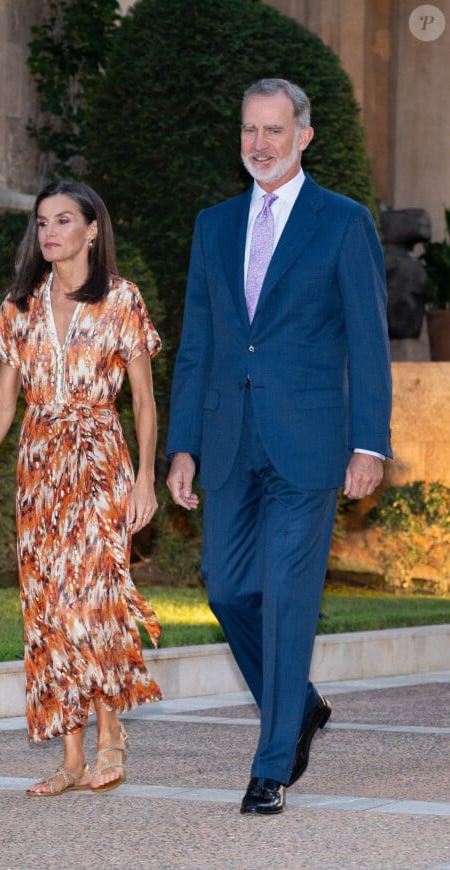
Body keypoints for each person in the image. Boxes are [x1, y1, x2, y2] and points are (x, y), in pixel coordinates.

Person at [166, 79, 392, 815]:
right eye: (248, 131)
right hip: (229, 436)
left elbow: (369, 340)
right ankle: (300, 703)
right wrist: (183, 446)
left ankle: (272, 764)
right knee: (228, 589)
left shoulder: (343, 222)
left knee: (289, 599)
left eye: (273, 130)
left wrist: (370, 443)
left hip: (311, 441)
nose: (258, 144)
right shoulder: (214, 224)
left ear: (304, 135)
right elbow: (198, 341)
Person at [0, 180, 163, 796]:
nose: (49, 232)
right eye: (42, 221)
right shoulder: (19, 305)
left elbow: (146, 402)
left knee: (95, 597)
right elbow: (1, 404)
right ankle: (71, 757)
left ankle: (109, 737)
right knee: (49, 605)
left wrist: (146, 477)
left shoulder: (122, 299)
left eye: (63, 220)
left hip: (100, 457)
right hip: (40, 465)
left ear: (92, 229)